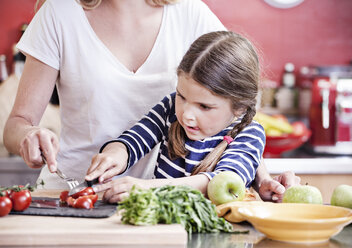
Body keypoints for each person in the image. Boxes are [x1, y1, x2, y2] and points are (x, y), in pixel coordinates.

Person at [3, 0, 299, 201]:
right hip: (72, 194)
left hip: (160, 204)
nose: (187, 111)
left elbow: (233, 106)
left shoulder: (189, 11)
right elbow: (17, 125)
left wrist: (259, 177)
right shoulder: (60, 12)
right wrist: (29, 135)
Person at [86, 31, 265, 202]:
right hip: (162, 228)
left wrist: (149, 188)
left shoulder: (250, 134)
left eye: (204, 106)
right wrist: (116, 153)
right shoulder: (171, 108)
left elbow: (220, 181)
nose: (187, 115)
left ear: (240, 107)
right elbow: (137, 137)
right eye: (182, 96)